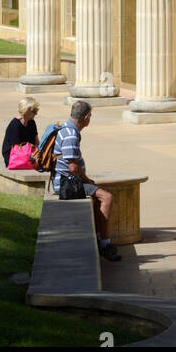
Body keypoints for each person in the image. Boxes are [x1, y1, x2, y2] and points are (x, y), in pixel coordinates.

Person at [52, 101, 121, 263]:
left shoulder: (67, 129)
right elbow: (73, 168)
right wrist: (87, 180)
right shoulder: (70, 135)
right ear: (86, 117)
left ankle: (98, 239)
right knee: (107, 197)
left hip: (67, 180)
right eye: (90, 116)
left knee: (98, 198)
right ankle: (105, 245)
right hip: (66, 184)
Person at [1, 96, 39, 167]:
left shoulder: (31, 122)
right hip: (14, 156)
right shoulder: (15, 125)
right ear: (26, 110)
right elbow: (16, 148)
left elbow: (36, 141)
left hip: (28, 152)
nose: (36, 113)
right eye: (34, 111)